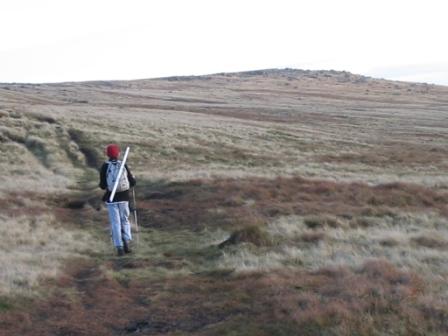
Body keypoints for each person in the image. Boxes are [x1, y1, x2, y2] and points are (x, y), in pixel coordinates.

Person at [99, 144, 136, 256]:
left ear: (108, 154)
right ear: (118, 153)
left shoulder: (105, 166)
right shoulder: (123, 164)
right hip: (124, 197)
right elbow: (132, 183)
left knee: (116, 223)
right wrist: (133, 178)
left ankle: (119, 247)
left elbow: (103, 185)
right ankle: (126, 242)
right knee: (125, 220)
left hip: (112, 199)